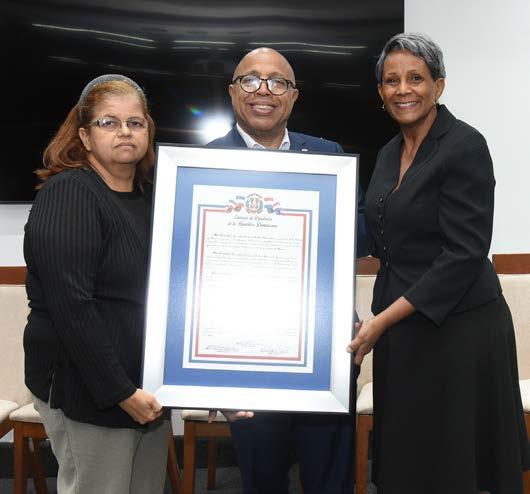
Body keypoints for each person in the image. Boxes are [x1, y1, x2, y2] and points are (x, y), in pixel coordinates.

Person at [347, 33, 530, 493]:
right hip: (403, 330)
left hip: (460, 330)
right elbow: (378, 232)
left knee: (452, 464)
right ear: (381, 92)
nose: (403, 89)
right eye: (392, 81)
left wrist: (381, 321)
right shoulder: (388, 153)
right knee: (410, 460)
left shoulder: (465, 144)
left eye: (416, 78)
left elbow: (464, 254)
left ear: (438, 86)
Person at [208, 47, 369, 494]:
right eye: (250, 80)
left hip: (324, 347)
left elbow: (359, 240)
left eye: (277, 82)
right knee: (262, 478)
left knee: (330, 478)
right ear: (232, 91)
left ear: (293, 96)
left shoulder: (329, 156)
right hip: (243, 353)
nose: (264, 91)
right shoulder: (201, 164)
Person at [24, 74, 169, 494]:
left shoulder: (152, 197)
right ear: (85, 136)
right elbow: (72, 307)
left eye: (135, 122)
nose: (125, 131)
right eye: (109, 122)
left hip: (145, 388)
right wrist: (119, 391)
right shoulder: (69, 193)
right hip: (89, 389)